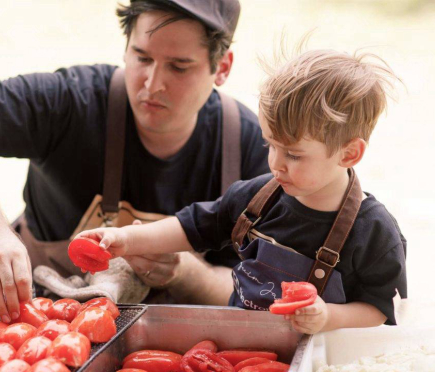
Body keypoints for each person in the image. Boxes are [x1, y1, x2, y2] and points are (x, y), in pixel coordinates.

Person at [0, 0, 269, 324]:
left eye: (179, 67)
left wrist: (187, 272)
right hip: (39, 329)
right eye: (142, 58)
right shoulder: (73, 102)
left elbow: (267, 293)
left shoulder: (251, 147)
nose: (152, 84)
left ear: (221, 67)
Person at [77, 48, 408, 334]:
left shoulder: (374, 232)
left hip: (319, 355)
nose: (275, 164)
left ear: (349, 153)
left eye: (293, 154)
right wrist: (126, 240)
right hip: (243, 344)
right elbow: (192, 227)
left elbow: (379, 309)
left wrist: (328, 316)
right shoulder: (258, 198)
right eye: (270, 145)